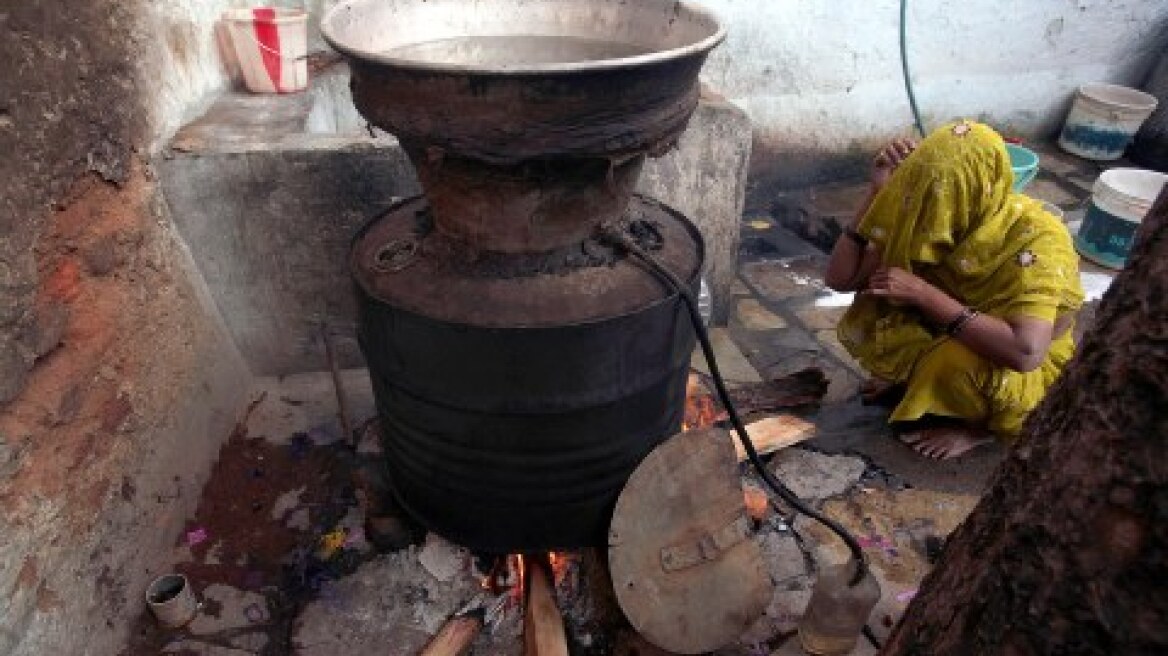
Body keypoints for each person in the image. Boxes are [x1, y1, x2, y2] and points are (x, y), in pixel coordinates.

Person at [824, 120, 1084, 459]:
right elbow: (841, 278)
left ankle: (978, 428)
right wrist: (876, 194)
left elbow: (1026, 353)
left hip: (1020, 365)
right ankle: (915, 381)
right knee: (880, 293)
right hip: (961, 324)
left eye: (935, 204)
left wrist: (924, 295)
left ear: (973, 195)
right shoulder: (928, 213)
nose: (925, 217)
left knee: (953, 359)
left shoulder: (1039, 239)